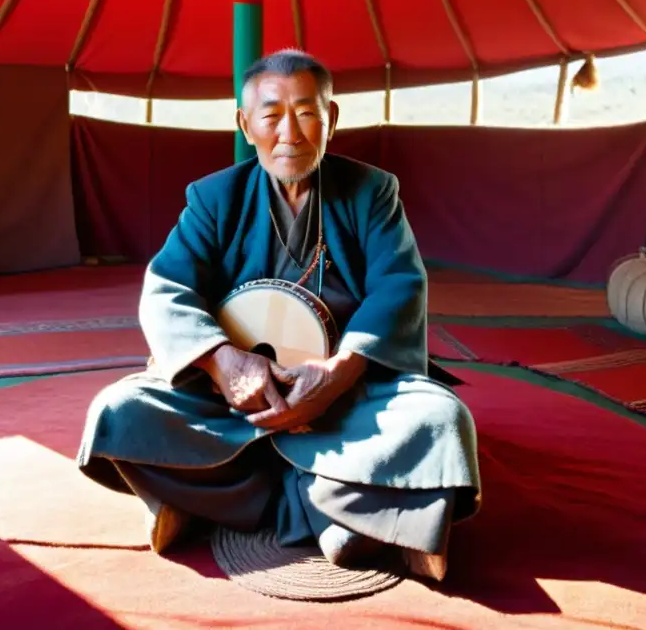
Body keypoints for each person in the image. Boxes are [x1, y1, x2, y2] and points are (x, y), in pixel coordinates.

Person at [76, 49, 481, 581]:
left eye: (307, 112)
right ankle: (349, 514)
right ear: (246, 124)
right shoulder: (213, 198)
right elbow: (166, 288)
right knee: (119, 410)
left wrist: (340, 374)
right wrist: (225, 365)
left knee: (440, 422)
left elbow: (398, 286)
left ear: (330, 121)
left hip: (345, 395)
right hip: (236, 400)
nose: (288, 132)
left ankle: (212, 497)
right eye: (270, 115)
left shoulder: (373, 192)